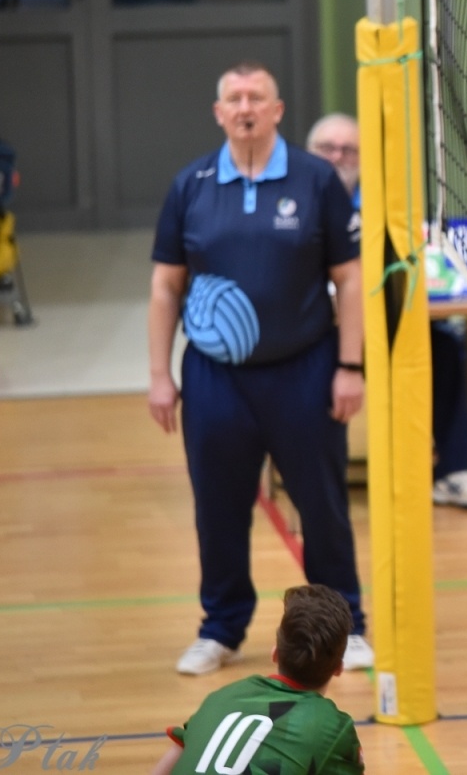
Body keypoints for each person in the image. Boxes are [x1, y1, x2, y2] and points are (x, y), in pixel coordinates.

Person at [149, 63, 373, 676]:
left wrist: (350, 366)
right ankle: (220, 628)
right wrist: (161, 375)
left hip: (304, 369)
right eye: (233, 98)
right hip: (215, 379)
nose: (245, 106)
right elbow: (166, 287)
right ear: (219, 112)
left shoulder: (316, 179)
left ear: (277, 110)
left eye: (257, 97)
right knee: (217, 508)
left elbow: (349, 280)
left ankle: (346, 624)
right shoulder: (190, 185)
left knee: (322, 504)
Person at [306, 113, 467, 510]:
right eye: (328, 148)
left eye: (349, 150)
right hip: (316, 330)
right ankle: (312, 476)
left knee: (443, 349)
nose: (339, 157)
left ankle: (453, 472)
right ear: (309, 153)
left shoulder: (383, 203)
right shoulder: (293, 198)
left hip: (380, 327)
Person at [150, 585, 364, 775]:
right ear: (338, 668)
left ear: (275, 653)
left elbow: (173, 758)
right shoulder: (335, 727)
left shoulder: (221, 697)